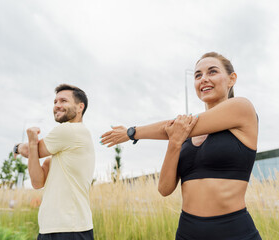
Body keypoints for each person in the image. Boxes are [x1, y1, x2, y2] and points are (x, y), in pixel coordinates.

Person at [100, 52, 262, 240]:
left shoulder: (242, 108)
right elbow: (165, 189)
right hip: (187, 232)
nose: (204, 79)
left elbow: (168, 127)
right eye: (198, 75)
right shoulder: (183, 135)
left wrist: (132, 132)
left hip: (233, 231)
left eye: (212, 72)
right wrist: (175, 143)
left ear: (231, 79)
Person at [13, 84, 95, 240]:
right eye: (55, 102)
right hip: (51, 228)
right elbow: (37, 182)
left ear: (80, 107)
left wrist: (17, 147)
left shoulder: (70, 130)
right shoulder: (62, 151)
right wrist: (31, 142)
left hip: (70, 229)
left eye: (63, 101)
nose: (57, 105)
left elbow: (31, 151)